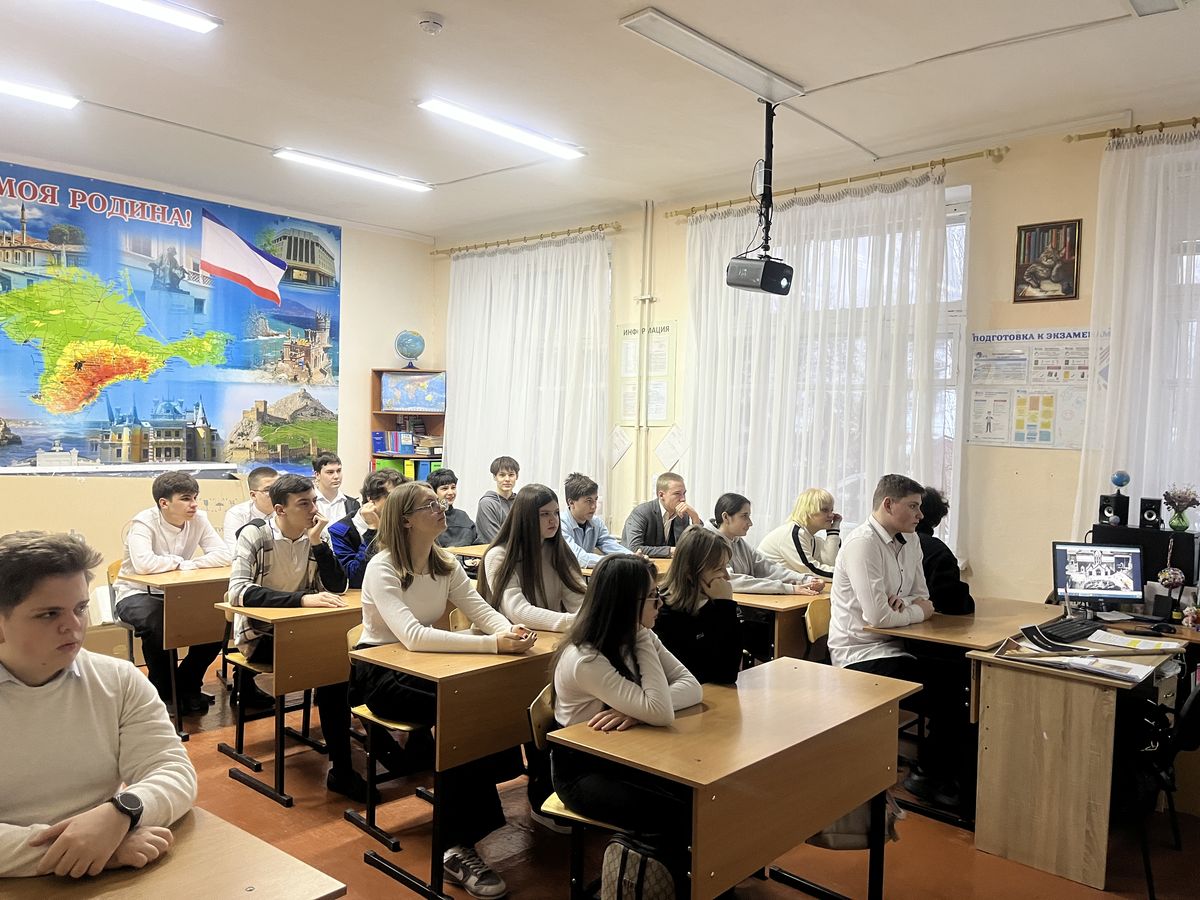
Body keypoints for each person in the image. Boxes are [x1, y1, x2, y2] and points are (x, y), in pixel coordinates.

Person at [355, 481, 536, 900]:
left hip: (426, 667)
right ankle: (455, 847)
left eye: (439, 503)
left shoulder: (445, 562)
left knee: (482, 702)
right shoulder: (382, 566)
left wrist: (509, 630)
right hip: (381, 673)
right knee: (461, 715)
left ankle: (470, 815)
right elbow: (414, 636)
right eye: (429, 505)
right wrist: (494, 645)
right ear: (405, 521)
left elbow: (480, 611)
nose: (441, 509)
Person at [0, 531, 196, 879]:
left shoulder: (119, 679)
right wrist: (97, 850)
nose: (74, 626)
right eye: (49, 614)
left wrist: (122, 813)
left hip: (113, 857)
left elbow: (173, 771)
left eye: (80, 608)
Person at [551, 555, 702, 870]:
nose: (660, 603)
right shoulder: (586, 658)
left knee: (701, 796)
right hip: (583, 771)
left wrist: (636, 712)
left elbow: (691, 687)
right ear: (625, 604)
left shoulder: (635, 634)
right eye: (652, 596)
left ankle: (694, 881)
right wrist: (648, 707)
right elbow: (660, 711)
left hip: (627, 754)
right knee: (678, 812)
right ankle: (662, 882)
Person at [227, 473, 370, 802]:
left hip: (305, 633)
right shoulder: (255, 534)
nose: (313, 509)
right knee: (333, 671)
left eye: (314, 501)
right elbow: (238, 592)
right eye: (304, 504)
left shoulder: (315, 534)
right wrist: (301, 599)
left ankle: (348, 764)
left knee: (344, 666)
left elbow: (337, 587)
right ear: (280, 509)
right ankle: (343, 768)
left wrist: (318, 543)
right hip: (259, 635)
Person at [828, 474, 966, 807]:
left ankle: (943, 771)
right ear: (888, 505)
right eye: (913, 506)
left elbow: (923, 596)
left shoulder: (911, 540)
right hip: (861, 654)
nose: (921, 514)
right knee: (953, 694)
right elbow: (879, 617)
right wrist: (914, 610)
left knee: (965, 678)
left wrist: (906, 606)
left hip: (898, 645)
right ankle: (926, 776)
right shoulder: (862, 544)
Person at [114, 471, 231, 713]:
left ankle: (187, 684)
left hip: (177, 593)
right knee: (158, 623)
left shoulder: (199, 519)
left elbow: (225, 555)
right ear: (164, 503)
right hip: (136, 593)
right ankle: (163, 692)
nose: (194, 504)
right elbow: (144, 564)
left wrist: (191, 564)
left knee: (217, 618)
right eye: (186, 499)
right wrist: (181, 562)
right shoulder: (143, 523)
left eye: (195, 497)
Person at [479, 483, 587, 633]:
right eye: (544, 514)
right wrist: (576, 621)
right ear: (526, 517)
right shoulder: (498, 556)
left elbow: (579, 600)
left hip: (545, 636)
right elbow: (517, 612)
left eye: (556, 512)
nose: (554, 520)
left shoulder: (557, 551)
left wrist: (592, 618)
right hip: (507, 638)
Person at [655, 526, 742, 684]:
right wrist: (724, 608)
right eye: (718, 569)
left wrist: (725, 606)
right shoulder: (662, 614)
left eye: (726, 566)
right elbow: (706, 675)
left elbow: (729, 673)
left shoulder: (716, 604)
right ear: (690, 573)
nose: (727, 577)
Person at [708, 493, 823, 595]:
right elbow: (731, 580)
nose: (750, 523)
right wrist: (789, 588)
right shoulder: (709, 543)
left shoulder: (738, 541)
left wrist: (806, 579)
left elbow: (768, 567)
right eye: (744, 516)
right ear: (726, 517)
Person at [328, 469, 405, 589]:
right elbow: (353, 579)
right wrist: (373, 531)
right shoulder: (339, 531)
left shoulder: (403, 522)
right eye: (392, 498)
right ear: (371, 498)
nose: (400, 504)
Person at [757, 488, 842, 579]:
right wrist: (846, 575)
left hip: (781, 584)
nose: (831, 515)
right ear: (808, 511)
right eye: (824, 510)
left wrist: (833, 532)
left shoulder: (812, 539)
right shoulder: (793, 534)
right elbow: (813, 570)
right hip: (764, 585)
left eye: (831, 510)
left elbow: (830, 564)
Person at [915, 488, 974, 615]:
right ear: (937, 519)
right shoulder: (937, 551)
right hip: (926, 623)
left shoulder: (891, 542)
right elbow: (953, 602)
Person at [621, 472, 703, 558]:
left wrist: (695, 517)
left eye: (684, 493)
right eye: (677, 494)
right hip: (637, 564)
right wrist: (670, 551)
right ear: (661, 495)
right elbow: (634, 548)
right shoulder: (642, 512)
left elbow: (695, 547)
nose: (683, 499)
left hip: (668, 564)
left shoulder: (682, 515)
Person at [560, 472, 630, 567]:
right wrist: (616, 561)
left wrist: (633, 558)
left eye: (595, 500)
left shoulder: (596, 523)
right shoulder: (560, 524)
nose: (594, 506)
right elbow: (578, 558)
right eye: (588, 501)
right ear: (571, 502)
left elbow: (610, 545)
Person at [223, 466, 278, 549]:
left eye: (279, 488)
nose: (276, 493)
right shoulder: (237, 514)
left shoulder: (288, 510)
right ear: (253, 495)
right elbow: (235, 550)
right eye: (268, 490)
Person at [428, 468, 480, 548]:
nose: (451, 492)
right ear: (434, 492)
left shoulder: (463, 516)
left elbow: (476, 544)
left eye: (453, 487)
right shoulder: (428, 518)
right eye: (445, 488)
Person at [312, 452, 359, 537]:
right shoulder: (308, 504)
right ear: (317, 475)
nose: (336, 476)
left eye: (339, 471)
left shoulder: (353, 505)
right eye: (330, 472)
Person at [475, 456, 519, 543]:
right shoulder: (487, 503)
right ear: (495, 477)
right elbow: (495, 539)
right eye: (502, 475)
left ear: (516, 476)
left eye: (511, 475)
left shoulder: (521, 502)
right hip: (494, 550)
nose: (507, 479)